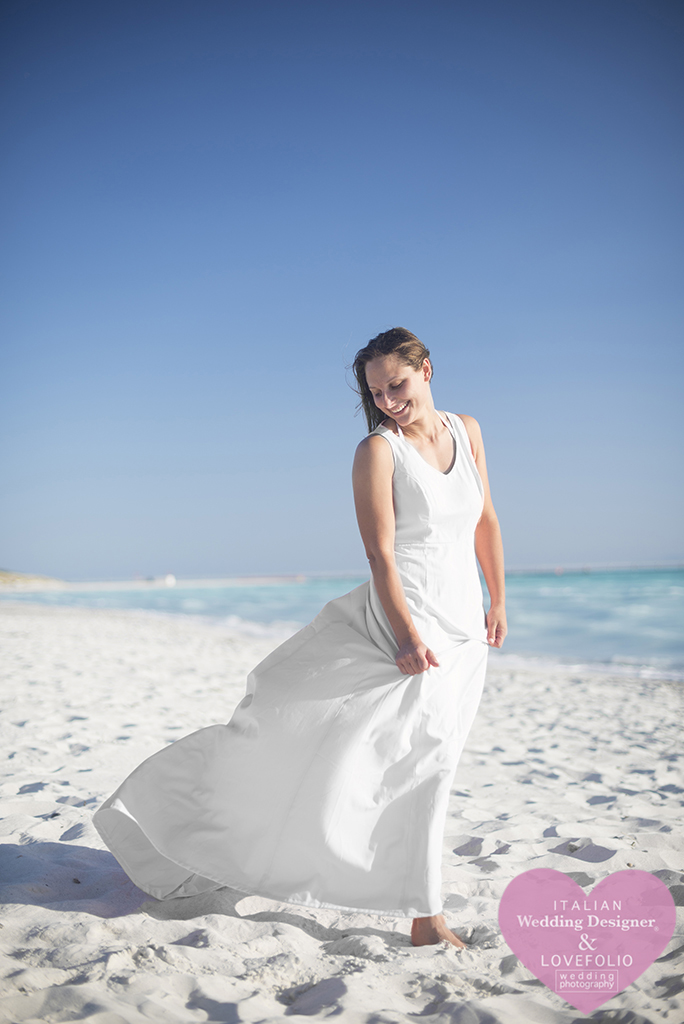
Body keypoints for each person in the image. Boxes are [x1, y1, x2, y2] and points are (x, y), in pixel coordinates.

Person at [94, 327, 506, 949]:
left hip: (465, 624)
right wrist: (405, 634)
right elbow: (381, 556)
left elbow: (487, 520)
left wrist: (497, 599)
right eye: (377, 391)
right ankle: (426, 918)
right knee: (415, 761)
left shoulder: (467, 430)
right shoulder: (378, 451)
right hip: (408, 618)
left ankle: (418, 907)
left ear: (426, 369)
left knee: (434, 761)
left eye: (398, 384)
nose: (389, 400)